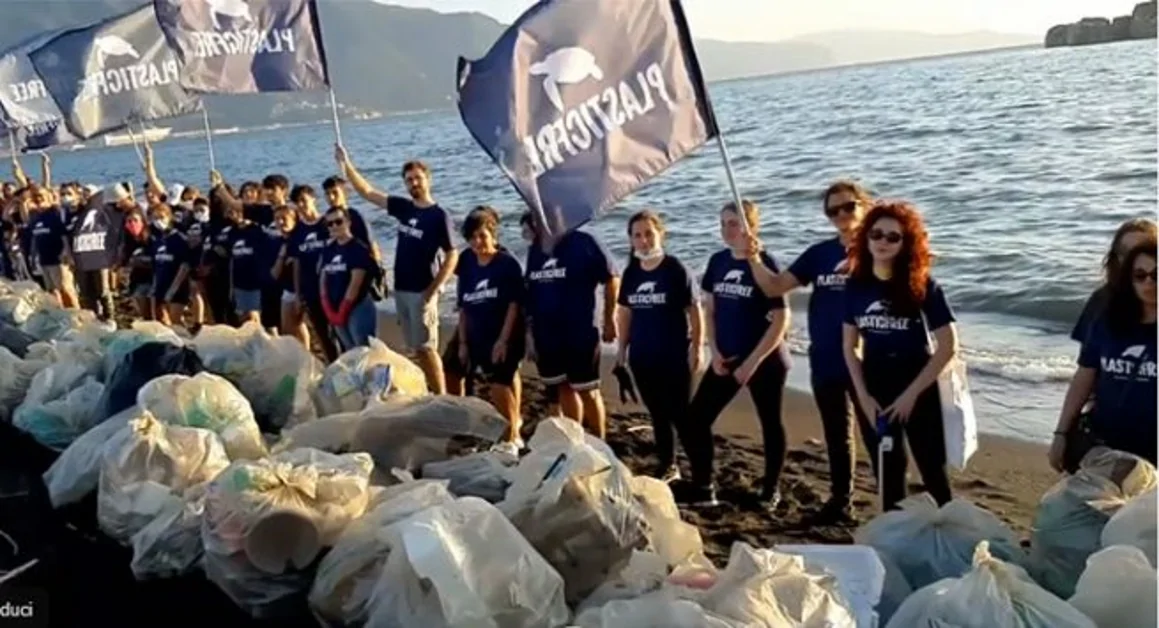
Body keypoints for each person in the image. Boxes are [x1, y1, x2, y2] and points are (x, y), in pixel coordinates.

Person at [756, 180, 875, 523]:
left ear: (864, 206)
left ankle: (893, 506)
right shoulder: (820, 254)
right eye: (832, 210)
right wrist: (752, 256)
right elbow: (776, 286)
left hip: (868, 360)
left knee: (876, 433)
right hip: (825, 356)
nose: (840, 214)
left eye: (848, 206)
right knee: (837, 433)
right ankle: (841, 501)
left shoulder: (879, 248)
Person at [842, 200, 958, 512]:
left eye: (893, 237)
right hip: (875, 384)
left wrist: (911, 396)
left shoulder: (923, 285)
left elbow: (947, 345)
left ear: (907, 243)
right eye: (876, 234)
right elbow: (850, 347)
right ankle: (895, 541)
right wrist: (863, 397)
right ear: (865, 238)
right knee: (889, 470)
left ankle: (949, 538)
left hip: (918, 385)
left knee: (933, 470)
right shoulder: (855, 286)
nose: (882, 242)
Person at [679, 200, 791, 509]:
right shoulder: (717, 262)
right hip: (725, 357)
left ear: (752, 227)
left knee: (770, 422)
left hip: (764, 359)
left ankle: (770, 490)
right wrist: (713, 351)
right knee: (695, 420)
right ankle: (704, 486)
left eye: (735, 223)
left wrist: (753, 362)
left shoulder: (766, 263)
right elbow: (710, 310)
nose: (728, 229)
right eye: (724, 223)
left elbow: (781, 320)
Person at [335, 146, 456, 394]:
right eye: (409, 179)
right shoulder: (404, 208)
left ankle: (441, 395)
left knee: (426, 347)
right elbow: (367, 192)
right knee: (415, 347)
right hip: (401, 289)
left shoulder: (438, 215)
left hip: (422, 291)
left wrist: (432, 291)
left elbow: (452, 254)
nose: (413, 183)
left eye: (417, 178)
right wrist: (346, 164)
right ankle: (430, 391)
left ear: (427, 179)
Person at [1052, 237, 1157, 469]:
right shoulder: (1109, 321)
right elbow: (1084, 377)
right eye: (1140, 276)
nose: (1149, 283)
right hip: (1107, 443)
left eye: (1156, 274)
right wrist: (1061, 433)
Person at [614, 210, 703, 482]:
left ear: (660, 234)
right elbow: (626, 313)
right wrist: (621, 352)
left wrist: (697, 348)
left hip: (674, 356)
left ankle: (701, 472)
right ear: (631, 240)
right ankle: (668, 464)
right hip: (642, 357)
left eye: (648, 234)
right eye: (637, 235)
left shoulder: (675, 269)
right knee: (658, 414)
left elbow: (695, 310)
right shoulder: (631, 273)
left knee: (681, 415)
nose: (644, 240)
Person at [524, 213, 619, 439]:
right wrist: (530, 334)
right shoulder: (536, 250)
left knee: (587, 389)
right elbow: (530, 293)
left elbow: (612, 277)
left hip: (580, 330)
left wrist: (609, 318)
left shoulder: (584, 242)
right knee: (563, 386)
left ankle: (600, 441)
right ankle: (575, 440)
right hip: (547, 333)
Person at [443, 207, 526, 445]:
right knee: (451, 368)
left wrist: (503, 340)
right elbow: (464, 304)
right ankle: (463, 421)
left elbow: (514, 305)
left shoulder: (507, 264)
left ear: (493, 233)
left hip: (503, 331)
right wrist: (462, 343)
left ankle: (512, 436)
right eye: (471, 238)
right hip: (473, 327)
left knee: (500, 384)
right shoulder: (467, 261)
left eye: (482, 236)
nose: (477, 242)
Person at [1072, 218, 1157, 344]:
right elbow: (1087, 356)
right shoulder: (1102, 300)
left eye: (1139, 251)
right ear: (1116, 257)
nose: (1132, 259)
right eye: (1126, 252)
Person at [289, 184, 338, 361]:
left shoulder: (327, 223)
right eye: (297, 202)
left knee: (339, 331)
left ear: (313, 199)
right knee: (322, 333)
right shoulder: (298, 231)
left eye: (304, 200)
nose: (301, 205)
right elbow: (296, 264)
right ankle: (332, 365)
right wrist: (297, 295)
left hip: (332, 288)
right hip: (310, 289)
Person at [319, 206, 377, 351]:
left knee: (363, 349)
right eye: (330, 224)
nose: (334, 226)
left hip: (358, 307)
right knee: (349, 350)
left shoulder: (358, 249)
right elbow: (323, 278)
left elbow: (355, 284)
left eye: (338, 222)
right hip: (334, 306)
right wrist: (327, 307)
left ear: (348, 222)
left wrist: (343, 310)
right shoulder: (329, 249)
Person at [70, 184, 128, 321]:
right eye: (83, 193)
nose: (86, 195)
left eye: (88, 193)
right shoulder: (76, 213)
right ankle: (94, 317)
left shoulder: (105, 212)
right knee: (85, 291)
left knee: (102, 290)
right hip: (81, 257)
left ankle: (110, 317)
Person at [27, 184, 78, 308]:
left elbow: (64, 235)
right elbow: (35, 238)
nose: (38, 199)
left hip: (58, 258)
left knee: (66, 289)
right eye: (36, 197)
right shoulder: (35, 216)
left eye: (41, 196)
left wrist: (67, 252)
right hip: (44, 260)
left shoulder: (55, 213)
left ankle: (77, 314)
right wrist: (33, 256)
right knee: (52, 291)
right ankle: (63, 315)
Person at [223, 199, 271, 325]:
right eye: (230, 212)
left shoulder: (257, 230)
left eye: (236, 211)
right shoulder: (232, 232)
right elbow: (232, 259)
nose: (232, 214)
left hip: (255, 282)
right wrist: (231, 287)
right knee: (242, 318)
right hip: (239, 282)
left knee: (253, 317)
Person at [149, 204, 193, 327]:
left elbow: (185, 265)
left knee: (176, 322)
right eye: (155, 218)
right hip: (160, 285)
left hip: (177, 287)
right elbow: (155, 265)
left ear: (169, 217)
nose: (158, 221)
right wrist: (154, 287)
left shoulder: (179, 238)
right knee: (161, 322)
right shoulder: (156, 239)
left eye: (161, 217)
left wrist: (172, 290)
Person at [120, 208, 154, 320]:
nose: (132, 224)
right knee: (143, 313)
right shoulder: (129, 241)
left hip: (152, 280)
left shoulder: (151, 239)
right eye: (129, 221)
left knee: (157, 313)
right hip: (137, 280)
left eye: (135, 220)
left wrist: (141, 262)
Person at [270, 205, 299, 337]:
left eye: (284, 218)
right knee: (287, 330)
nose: (280, 222)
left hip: (305, 290)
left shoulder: (300, 239)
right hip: (288, 290)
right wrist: (282, 255)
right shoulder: (276, 242)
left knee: (301, 327)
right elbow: (274, 274)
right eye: (277, 219)